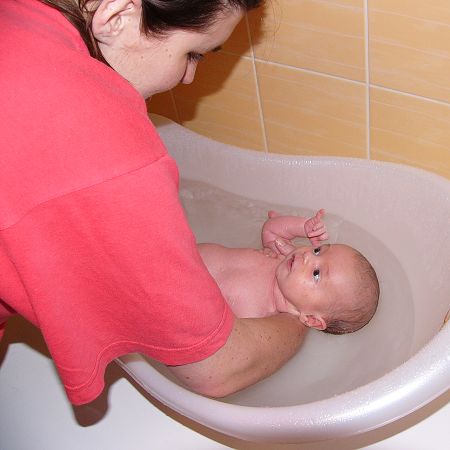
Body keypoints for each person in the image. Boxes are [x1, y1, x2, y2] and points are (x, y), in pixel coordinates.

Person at [0, 0, 307, 405]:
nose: (188, 78)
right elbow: (218, 369)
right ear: (119, 16)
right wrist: (299, 318)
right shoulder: (104, 150)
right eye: (192, 54)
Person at [200, 209, 379, 334]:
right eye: (318, 251)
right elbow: (271, 229)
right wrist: (304, 227)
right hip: (187, 255)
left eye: (316, 273)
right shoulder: (281, 257)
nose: (308, 256)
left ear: (311, 319)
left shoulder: (265, 321)